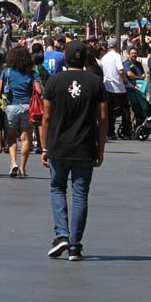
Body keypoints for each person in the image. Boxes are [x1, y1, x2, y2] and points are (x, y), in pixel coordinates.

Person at [40, 40, 107, 262]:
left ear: (65, 58)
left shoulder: (54, 81)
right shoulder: (96, 83)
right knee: (80, 195)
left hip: (58, 145)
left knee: (57, 188)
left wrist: (44, 146)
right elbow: (103, 118)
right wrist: (101, 148)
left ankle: (62, 235)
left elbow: (46, 117)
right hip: (85, 146)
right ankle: (75, 246)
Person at [0, 44, 41, 178]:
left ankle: (13, 163)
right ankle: (23, 168)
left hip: (11, 106)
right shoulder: (32, 72)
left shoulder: (7, 72)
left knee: (11, 137)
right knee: (26, 139)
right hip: (27, 106)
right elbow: (39, 91)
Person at [100, 38, 130, 140]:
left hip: (107, 86)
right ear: (117, 46)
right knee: (125, 110)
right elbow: (121, 71)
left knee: (110, 111)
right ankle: (126, 132)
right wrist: (126, 80)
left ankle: (110, 132)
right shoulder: (117, 56)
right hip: (118, 87)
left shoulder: (104, 58)